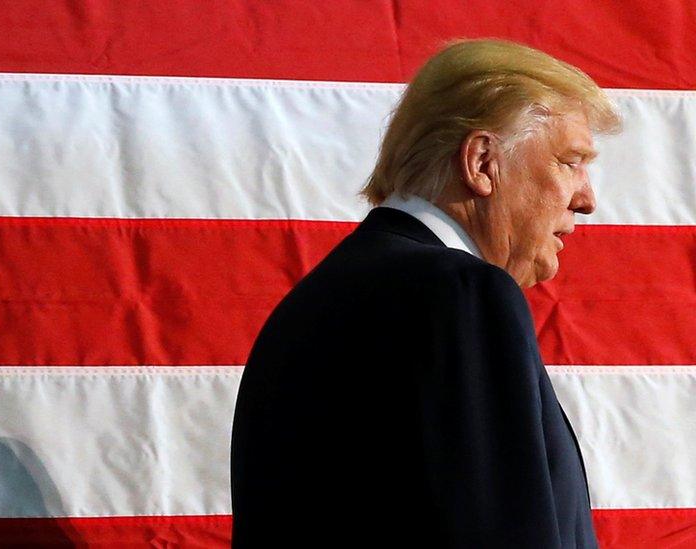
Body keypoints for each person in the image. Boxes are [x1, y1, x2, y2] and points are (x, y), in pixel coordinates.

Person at [229, 38, 621, 547]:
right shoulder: (461, 296)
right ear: (482, 163)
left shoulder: (321, 297)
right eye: (570, 161)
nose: (587, 199)